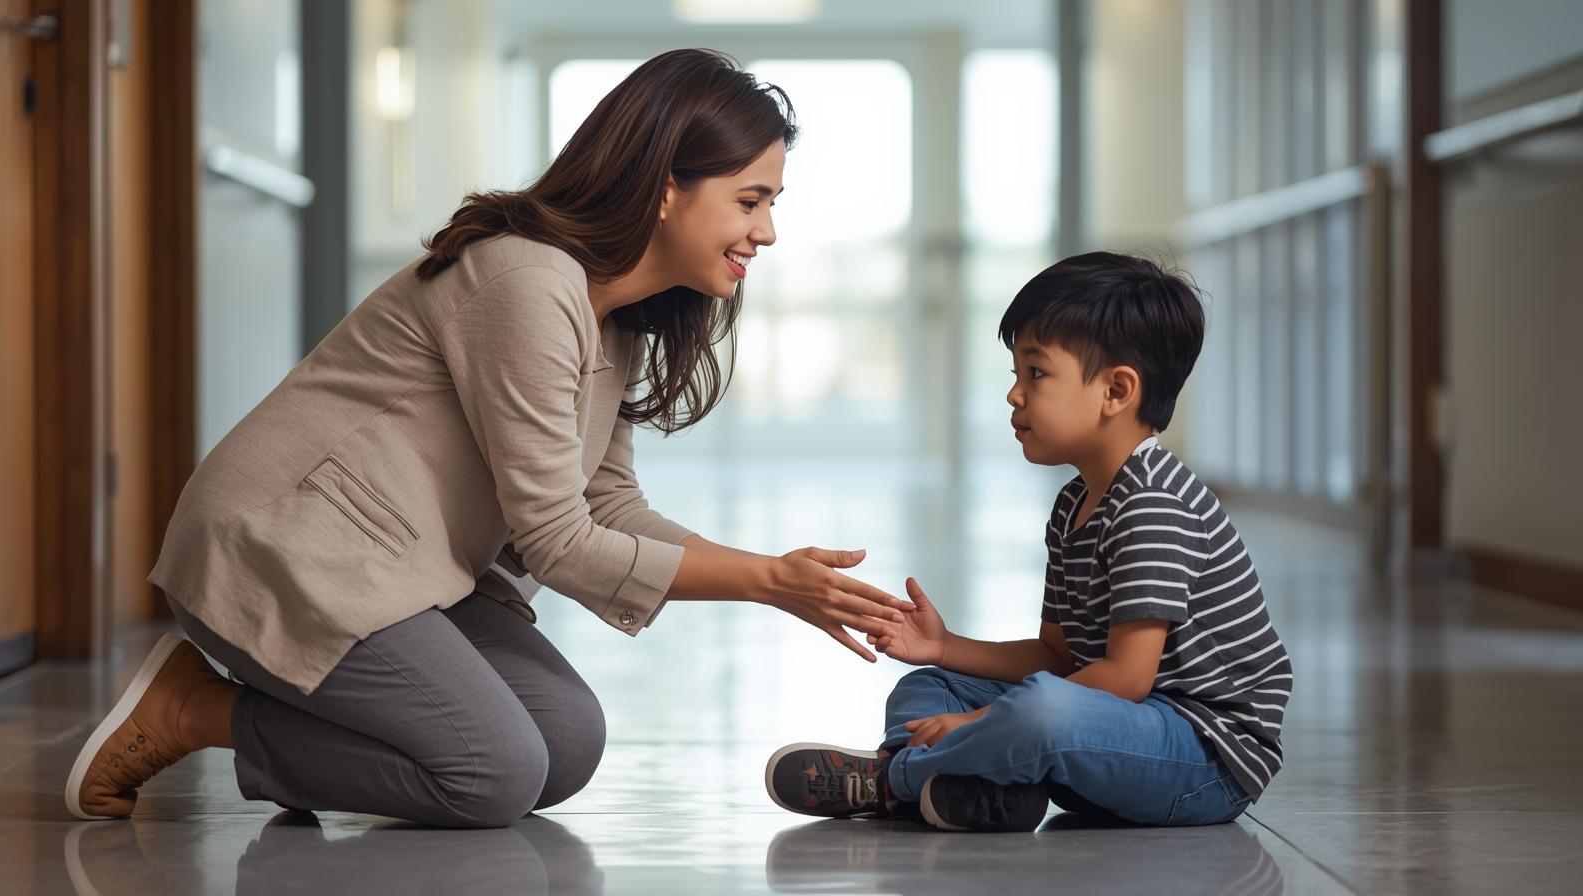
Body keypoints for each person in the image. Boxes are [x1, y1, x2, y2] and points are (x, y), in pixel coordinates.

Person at [66, 48, 913, 829]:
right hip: (285, 550)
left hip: (400, 569)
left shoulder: (616, 317)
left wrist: (778, 575)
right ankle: (190, 708)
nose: (765, 232)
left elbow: (605, 502)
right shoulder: (528, 281)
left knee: (566, 742)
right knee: (493, 774)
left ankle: (323, 741)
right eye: (750, 201)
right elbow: (557, 540)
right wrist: (768, 583)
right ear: (665, 187)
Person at [765, 252, 1293, 832]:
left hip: (1203, 761)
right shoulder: (1075, 502)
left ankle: (893, 781)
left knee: (1042, 708)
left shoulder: (1153, 503)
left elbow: (1126, 678)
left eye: (1036, 374)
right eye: (1015, 374)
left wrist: (985, 720)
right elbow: (1058, 656)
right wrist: (945, 648)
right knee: (929, 685)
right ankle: (976, 787)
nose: (1015, 395)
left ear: (1116, 390)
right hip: (1114, 730)